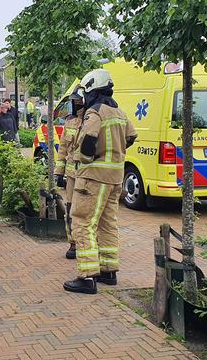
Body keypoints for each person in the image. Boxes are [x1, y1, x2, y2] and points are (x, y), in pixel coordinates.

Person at [64, 69, 137, 294]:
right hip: (115, 178)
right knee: (108, 224)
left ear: (93, 90)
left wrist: (85, 159)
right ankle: (109, 271)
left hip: (93, 178)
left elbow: (87, 141)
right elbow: (132, 136)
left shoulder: (94, 112)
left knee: (82, 222)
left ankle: (87, 277)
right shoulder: (119, 111)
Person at [54, 87, 85, 260]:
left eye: (78, 100)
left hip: (88, 175)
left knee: (86, 211)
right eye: (74, 101)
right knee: (70, 209)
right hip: (72, 177)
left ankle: (87, 243)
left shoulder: (92, 119)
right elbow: (63, 149)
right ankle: (73, 243)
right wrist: (59, 173)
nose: (75, 103)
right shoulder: (69, 122)